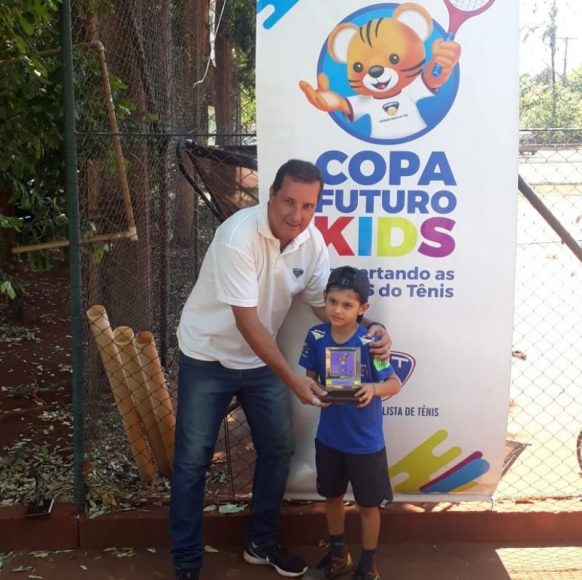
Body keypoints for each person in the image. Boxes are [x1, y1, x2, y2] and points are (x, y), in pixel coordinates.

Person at [170, 160, 392, 580]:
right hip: (208, 356)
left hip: (259, 360)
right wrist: (293, 380)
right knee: (192, 462)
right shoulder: (237, 236)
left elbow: (324, 308)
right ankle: (186, 562)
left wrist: (371, 331)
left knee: (277, 450)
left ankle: (261, 543)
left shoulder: (312, 242)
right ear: (270, 195)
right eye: (289, 201)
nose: (297, 215)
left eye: (308, 206)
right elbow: (247, 322)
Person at [298, 266, 402, 580]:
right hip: (329, 439)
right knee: (332, 497)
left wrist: (373, 388)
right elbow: (310, 379)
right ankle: (338, 555)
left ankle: (367, 567)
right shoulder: (316, 336)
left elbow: (394, 383)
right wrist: (317, 391)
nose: (337, 310)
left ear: (362, 308)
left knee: (368, 506)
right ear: (324, 300)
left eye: (347, 305)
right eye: (332, 302)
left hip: (365, 444)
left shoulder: (371, 342)